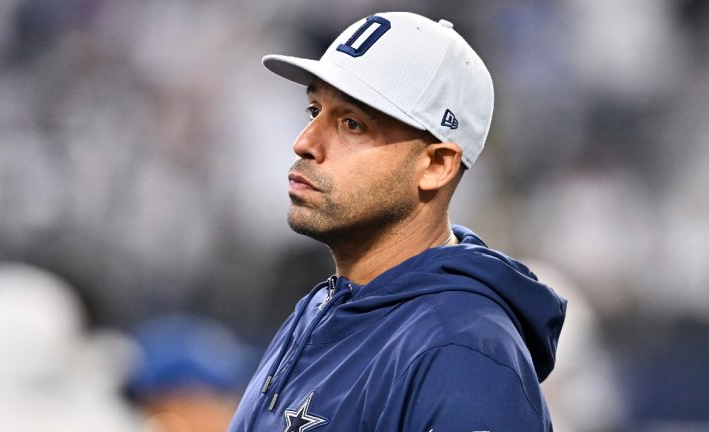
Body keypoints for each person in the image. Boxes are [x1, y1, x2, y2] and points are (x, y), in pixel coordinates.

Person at [229, 11, 567, 432]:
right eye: (313, 110)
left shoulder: (460, 351)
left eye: (352, 124)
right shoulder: (321, 308)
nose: (304, 142)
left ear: (436, 166)